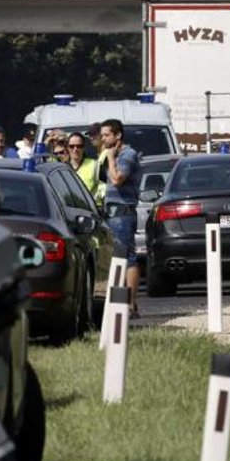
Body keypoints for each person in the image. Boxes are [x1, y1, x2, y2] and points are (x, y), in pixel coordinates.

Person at [98, 118, 142, 318]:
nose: (103, 138)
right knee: (114, 258)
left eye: (106, 134)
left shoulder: (127, 154)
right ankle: (118, 301)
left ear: (118, 135)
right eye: (102, 135)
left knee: (127, 258)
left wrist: (110, 158)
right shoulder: (114, 153)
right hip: (111, 212)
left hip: (122, 213)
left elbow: (117, 179)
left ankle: (131, 305)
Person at [66, 132, 101, 201]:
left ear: (84, 148)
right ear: (67, 148)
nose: (75, 149)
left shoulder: (95, 165)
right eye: (71, 146)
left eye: (79, 146)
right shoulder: (62, 168)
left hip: (92, 209)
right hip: (68, 209)